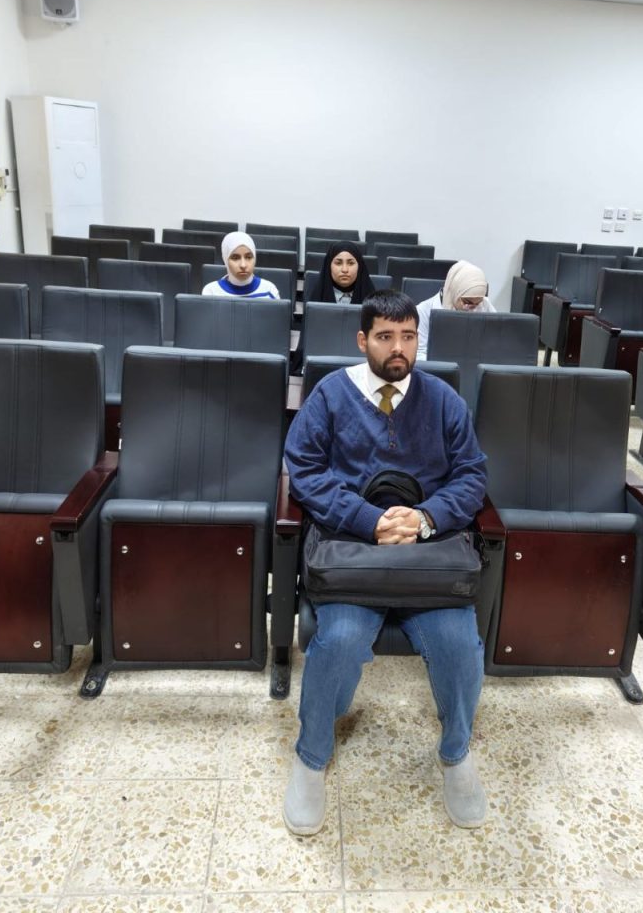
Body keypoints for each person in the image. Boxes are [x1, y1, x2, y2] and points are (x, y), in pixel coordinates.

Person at [283, 289, 489, 836]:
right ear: (363, 340)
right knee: (339, 640)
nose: (398, 348)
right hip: (354, 554)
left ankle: (456, 753)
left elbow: (471, 474)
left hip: (428, 556)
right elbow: (303, 469)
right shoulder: (331, 394)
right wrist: (367, 519)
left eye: (408, 336)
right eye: (385, 337)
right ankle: (311, 756)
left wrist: (425, 518)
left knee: (459, 645)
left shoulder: (443, 399)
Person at [290, 242, 377, 374]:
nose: (345, 269)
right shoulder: (317, 296)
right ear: (329, 265)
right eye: (338, 263)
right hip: (322, 367)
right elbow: (309, 342)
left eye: (351, 263)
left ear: (359, 266)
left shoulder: (372, 299)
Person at [417, 260, 496, 360]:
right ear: (455, 292)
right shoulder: (423, 311)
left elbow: (496, 342)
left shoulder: (484, 304)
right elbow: (420, 353)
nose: (472, 308)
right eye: (468, 302)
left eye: (478, 303)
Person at [202, 231, 280, 299]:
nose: (243, 265)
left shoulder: (269, 290)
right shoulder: (211, 292)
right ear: (225, 260)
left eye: (248, 257)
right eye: (235, 258)